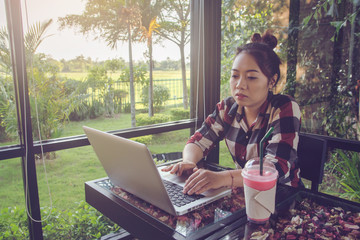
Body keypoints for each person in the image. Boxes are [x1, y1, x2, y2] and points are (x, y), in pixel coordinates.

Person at [162, 31, 301, 195]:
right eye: (235, 75)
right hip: (245, 195)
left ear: (271, 81)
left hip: (282, 198)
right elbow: (199, 141)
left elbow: (275, 168)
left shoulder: (284, 107)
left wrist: (222, 178)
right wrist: (188, 161)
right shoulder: (228, 108)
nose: (240, 85)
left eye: (251, 77)